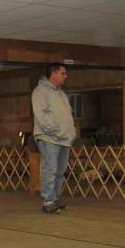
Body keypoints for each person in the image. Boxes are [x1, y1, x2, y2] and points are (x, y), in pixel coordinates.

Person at [32, 62, 76, 214]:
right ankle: (47, 201)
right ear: (54, 74)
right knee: (50, 169)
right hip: (49, 138)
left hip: (64, 139)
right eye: (63, 73)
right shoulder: (40, 91)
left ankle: (54, 200)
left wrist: (70, 133)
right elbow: (41, 114)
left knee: (60, 171)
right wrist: (54, 130)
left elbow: (67, 115)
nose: (66, 76)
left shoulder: (61, 94)